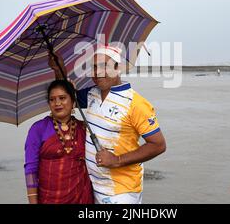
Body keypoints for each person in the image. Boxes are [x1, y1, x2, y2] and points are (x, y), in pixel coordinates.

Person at [49, 46, 166, 204]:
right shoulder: (91, 94)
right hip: (92, 187)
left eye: (105, 66)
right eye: (95, 67)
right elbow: (66, 98)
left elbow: (158, 145)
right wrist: (59, 69)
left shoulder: (136, 103)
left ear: (117, 67)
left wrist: (117, 160)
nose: (98, 72)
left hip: (122, 191)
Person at [24, 80, 94, 204]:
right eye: (52, 99)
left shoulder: (83, 128)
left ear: (73, 101)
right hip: (49, 199)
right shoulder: (38, 129)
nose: (57, 103)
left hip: (82, 199)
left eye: (62, 98)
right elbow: (30, 170)